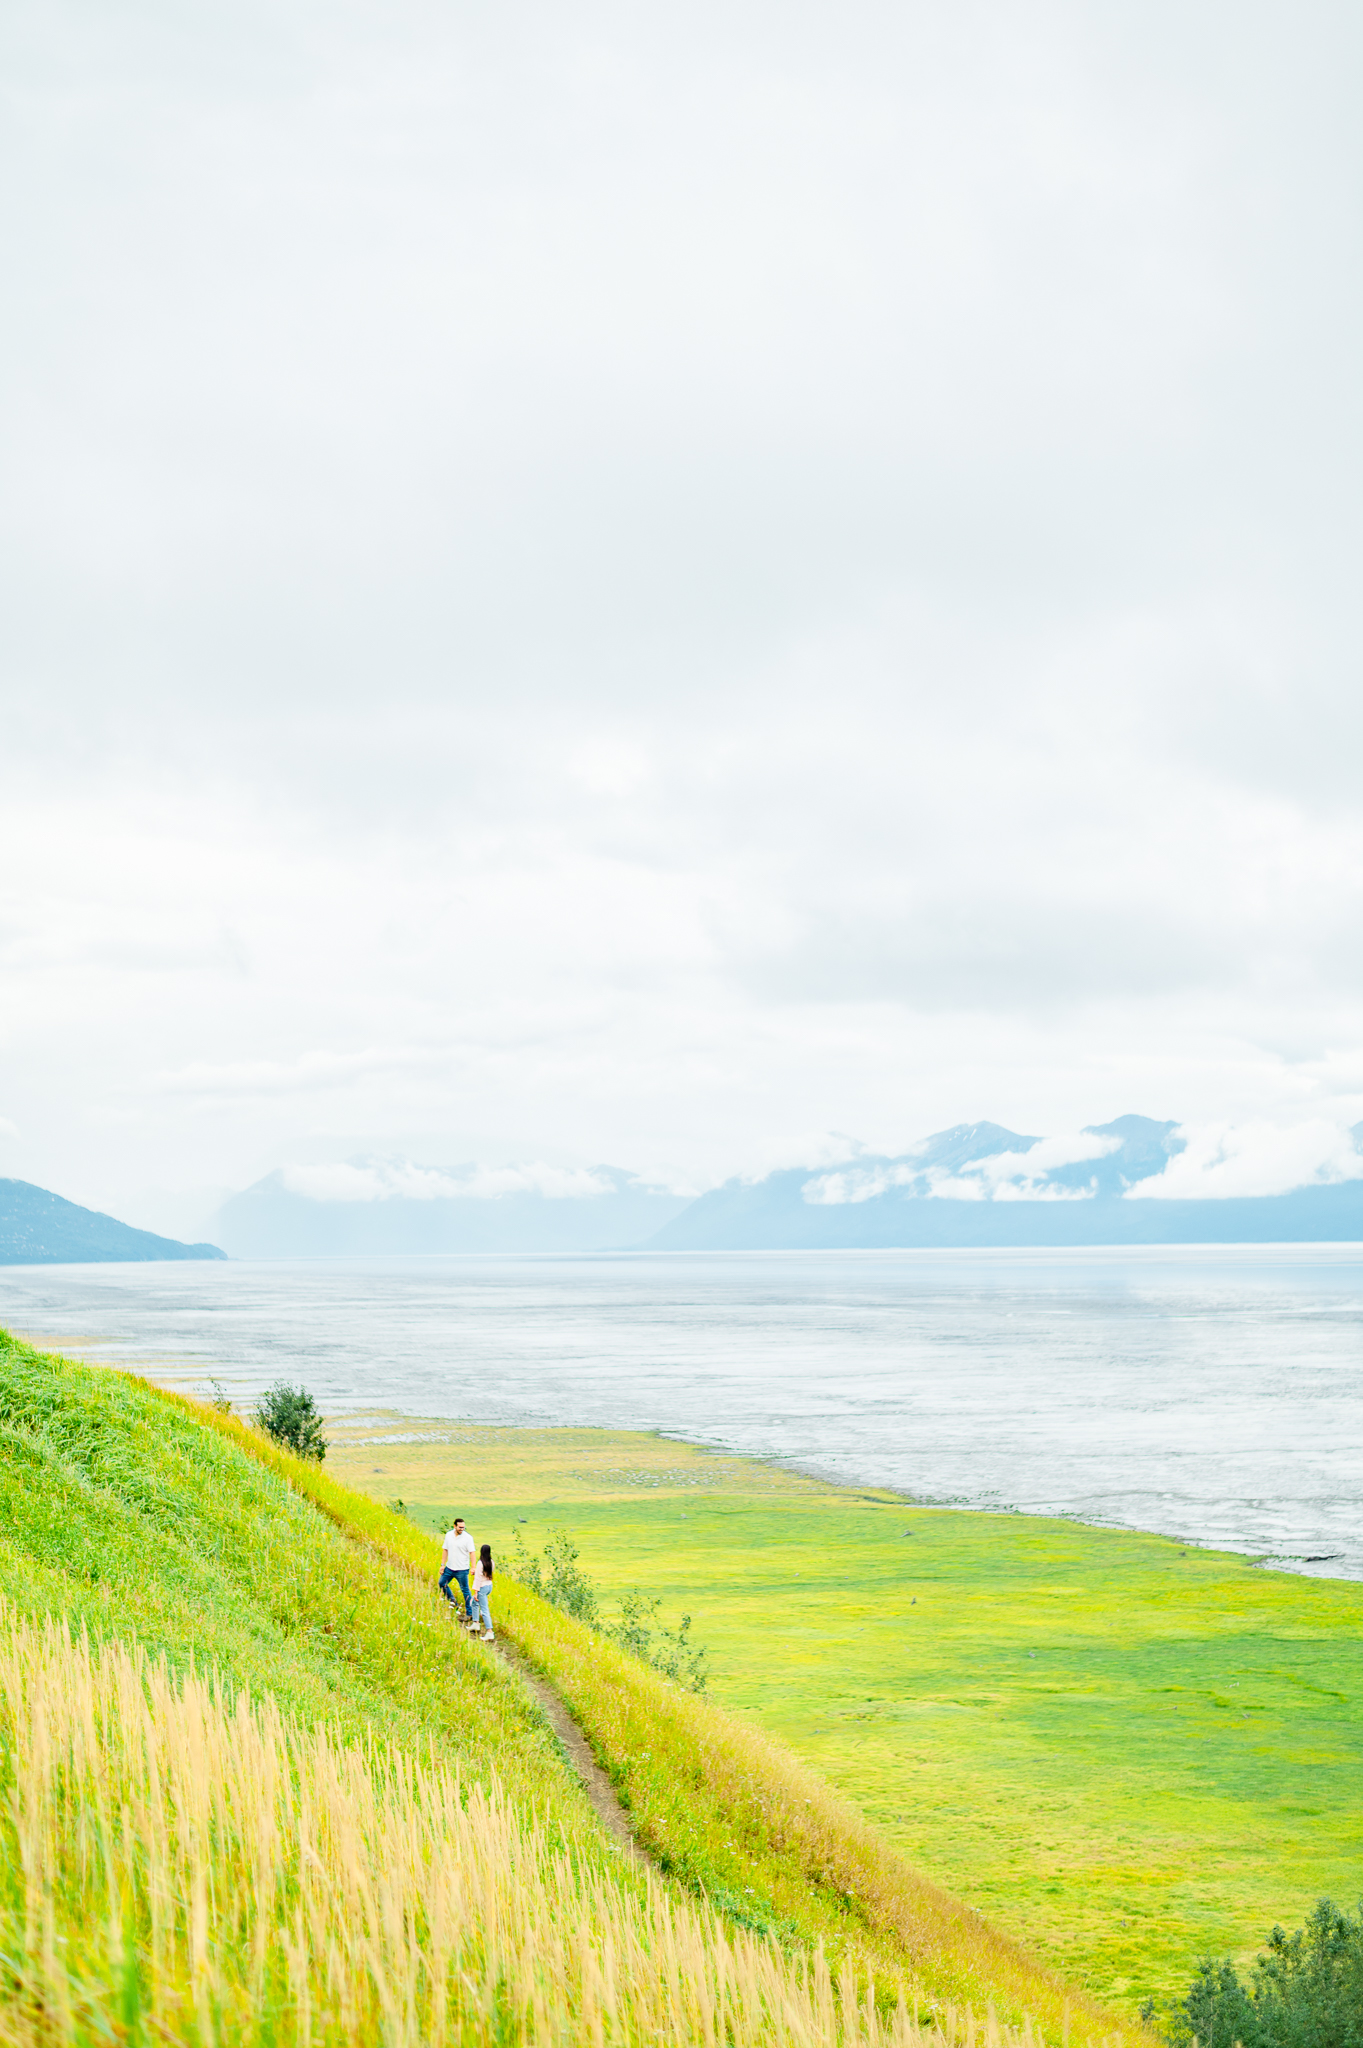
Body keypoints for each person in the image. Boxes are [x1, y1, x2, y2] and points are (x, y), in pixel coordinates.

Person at [439, 1517, 476, 1622]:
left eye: (463, 1527)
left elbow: (472, 1553)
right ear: (454, 1526)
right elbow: (445, 1550)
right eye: (460, 1527)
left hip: (462, 1569)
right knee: (442, 1583)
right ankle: (453, 1602)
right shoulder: (448, 1535)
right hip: (450, 1567)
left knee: (465, 1590)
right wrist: (442, 1565)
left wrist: (473, 1567)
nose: (462, 1529)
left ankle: (470, 1613)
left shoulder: (468, 1538)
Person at [472, 1542, 495, 1641]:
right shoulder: (491, 1562)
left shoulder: (480, 1563)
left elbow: (478, 1579)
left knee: (484, 1610)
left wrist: (475, 1592)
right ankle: (475, 1622)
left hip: (481, 1587)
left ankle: (489, 1631)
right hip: (489, 1586)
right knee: (474, 1603)